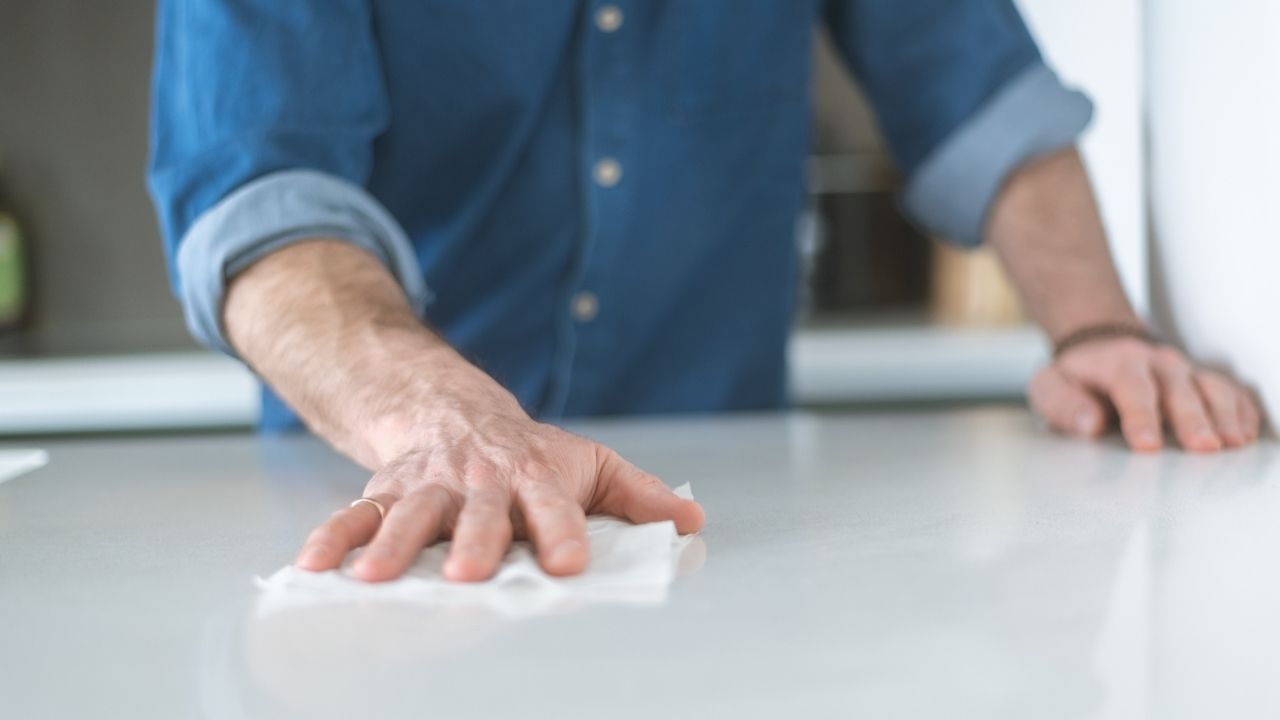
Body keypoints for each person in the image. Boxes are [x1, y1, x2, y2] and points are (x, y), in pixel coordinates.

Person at [148, 1, 1260, 583]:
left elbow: (984, 102)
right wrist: (451, 422)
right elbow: (259, 203)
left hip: (718, 524)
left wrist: (1097, 327)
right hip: (386, 503)